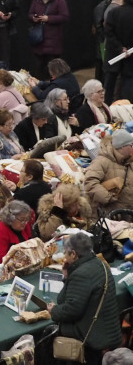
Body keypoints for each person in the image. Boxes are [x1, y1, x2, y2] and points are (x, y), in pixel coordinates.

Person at [47, 232, 122, 365]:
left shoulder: (81, 274)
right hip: (109, 332)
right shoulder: (101, 264)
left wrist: (54, 311)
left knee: (48, 335)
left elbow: (70, 310)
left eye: (65, 253)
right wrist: (67, 276)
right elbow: (64, 299)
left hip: (92, 338)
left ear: (74, 254)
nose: (64, 256)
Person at [28, 0, 70, 78]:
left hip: (53, 39)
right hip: (39, 39)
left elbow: (65, 16)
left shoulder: (59, 0)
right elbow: (30, 13)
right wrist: (33, 18)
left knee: (53, 67)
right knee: (39, 66)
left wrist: (49, 18)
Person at [84, 129, 133, 213]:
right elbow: (89, 182)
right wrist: (108, 198)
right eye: (131, 145)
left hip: (128, 214)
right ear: (122, 147)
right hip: (109, 214)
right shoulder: (101, 161)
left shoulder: (130, 162)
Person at [105, 0, 133, 102]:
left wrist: (120, 48)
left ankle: (106, 108)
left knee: (109, 85)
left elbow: (108, 33)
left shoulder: (113, 12)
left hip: (114, 54)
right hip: (131, 57)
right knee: (128, 85)